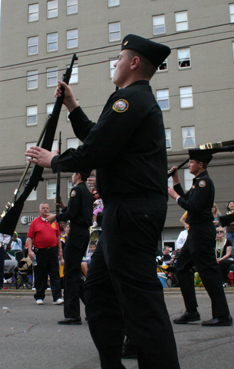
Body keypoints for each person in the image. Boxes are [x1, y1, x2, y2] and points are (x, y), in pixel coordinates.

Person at [25, 34, 180, 368]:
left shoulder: (131, 99)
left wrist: (54, 160)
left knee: (142, 307)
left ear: (134, 62)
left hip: (131, 212)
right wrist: (72, 106)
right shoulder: (131, 100)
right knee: (96, 294)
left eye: (120, 57)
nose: (116, 63)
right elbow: (101, 137)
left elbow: (95, 150)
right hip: (122, 213)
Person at [168, 150, 232, 327]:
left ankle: (223, 315)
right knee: (181, 266)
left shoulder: (204, 182)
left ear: (200, 164)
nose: (189, 164)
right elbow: (189, 198)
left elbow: (192, 206)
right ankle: (191, 311)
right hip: (195, 232)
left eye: (191, 162)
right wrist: (176, 182)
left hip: (202, 232)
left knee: (208, 272)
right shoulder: (198, 183)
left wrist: (174, 196)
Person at [47, 172, 93, 325]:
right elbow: (77, 211)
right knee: (74, 273)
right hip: (83, 233)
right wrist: (63, 206)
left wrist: (56, 216)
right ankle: (93, 307)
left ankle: (73, 314)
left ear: (79, 175)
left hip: (76, 234)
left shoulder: (76, 191)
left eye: (74, 174)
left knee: (70, 275)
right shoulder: (85, 192)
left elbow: (72, 214)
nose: (72, 176)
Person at [26, 203, 63, 305]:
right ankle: (39, 296)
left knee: (54, 274)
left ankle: (57, 297)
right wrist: (30, 250)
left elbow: (58, 236)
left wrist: (60, 250)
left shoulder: (54, 222)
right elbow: (30, 237)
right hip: (40, 251)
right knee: (40, 274)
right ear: (39, 210)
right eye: (43, 208)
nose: (45, 210)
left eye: (47, 208)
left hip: (52, 251)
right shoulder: (35, 222)